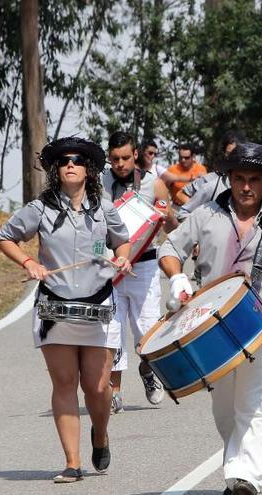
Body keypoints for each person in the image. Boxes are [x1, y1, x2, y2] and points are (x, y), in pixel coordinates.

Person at [158, 142, 262, 495]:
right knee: (225, 408)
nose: (245, 186)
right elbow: (169, 247)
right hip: (209, 328)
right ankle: (238, 466)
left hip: (259, 324)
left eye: (254, 179)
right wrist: (178, 277)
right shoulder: (205, 214)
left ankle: (245, 481)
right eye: (239, 178)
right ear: (229, 178)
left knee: (254, 404)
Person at [0, 137, 133, 482]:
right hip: (54, 307)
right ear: (56, 170)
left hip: (98, 305)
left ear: (89, 170)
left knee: (98, 387)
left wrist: (123, 258)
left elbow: (123, 241)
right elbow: (5, 237)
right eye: (63, 161)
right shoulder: (39, 209)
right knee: (64, 383)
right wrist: (29, 261)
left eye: (77, 160)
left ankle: (100, 435)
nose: (70, 164)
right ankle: (72, 463)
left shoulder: (105, 209)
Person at [101, 131, 177, 414]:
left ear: (135, 155)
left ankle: (148, 371)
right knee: (112, 331)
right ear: (109, 158)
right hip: (111, 267)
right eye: (115, 159)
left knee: (147, 331)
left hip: (144, 266)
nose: (120, 163)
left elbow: (171, 228)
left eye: (125, 157)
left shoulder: (154, 184)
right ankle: (115, 393)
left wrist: (168, 215)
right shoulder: (99, 183)